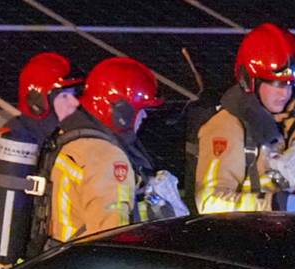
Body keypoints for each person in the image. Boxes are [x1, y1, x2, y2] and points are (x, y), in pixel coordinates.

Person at [35, 57, 187, 249]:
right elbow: (112, 240)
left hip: (60, 263)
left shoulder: (70, 137)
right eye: (141, 109)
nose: (145, 115)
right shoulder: (107, 159)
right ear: (121, 112)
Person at [191, 23, 295, 214]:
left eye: (290, 85)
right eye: (277, 84)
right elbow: (209, 202)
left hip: (290, 235)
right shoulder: (227, 127)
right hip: (247, 239)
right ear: (249, 81)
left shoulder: (294, 125)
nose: (285, 93)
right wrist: (272, 204)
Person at [0, 52, 85, 269]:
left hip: (43, 264)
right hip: (3, 267)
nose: (75, 103)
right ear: (39, 100)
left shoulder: (61, 140)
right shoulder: (9, 140)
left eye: (76, 95)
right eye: (65, 96)